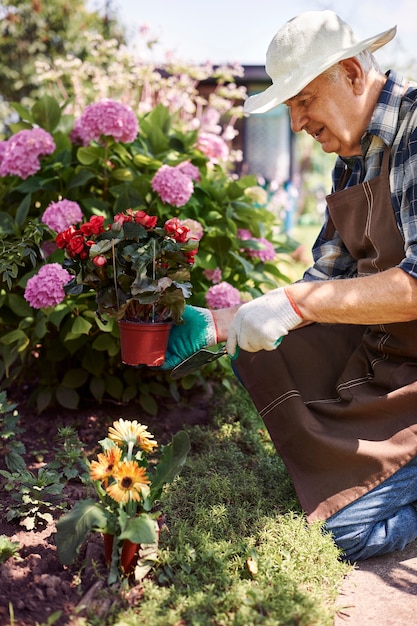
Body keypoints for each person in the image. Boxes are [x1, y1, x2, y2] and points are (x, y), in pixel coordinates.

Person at [162, 10, 417, 562]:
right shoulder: (352, 159)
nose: (298, 123)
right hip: (393, 356)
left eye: (304, 101)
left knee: (341, 533)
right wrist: (220, 323)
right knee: (259, 353)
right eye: (290, 109)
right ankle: (360, 462)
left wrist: (296, 303)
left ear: (351, 73)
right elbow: (326, 280)